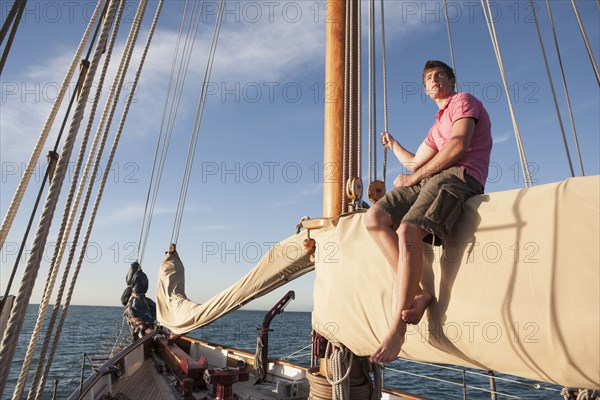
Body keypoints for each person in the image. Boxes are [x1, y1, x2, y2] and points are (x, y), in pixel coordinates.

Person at [364, 60, 492, 364]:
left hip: (460, 175)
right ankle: (420, 292)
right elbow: (414, 163)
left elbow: (458, 146)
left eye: (439, 76)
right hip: (432, 178)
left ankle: (397, 329)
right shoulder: (438, 124)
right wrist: (393, 144)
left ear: (451, 80)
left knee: (408, 230)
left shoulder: (463, 102)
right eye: (428, 79)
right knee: (374, 219)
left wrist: (415, 177)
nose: (434, 81)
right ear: (425, 89)